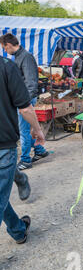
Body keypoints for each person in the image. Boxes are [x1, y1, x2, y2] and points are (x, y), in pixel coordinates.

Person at [0, 55, 46, 244]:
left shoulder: (12, 64)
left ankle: (18, 230)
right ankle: (19, 177)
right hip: (3, 146)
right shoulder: (5, 66)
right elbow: (25, 108)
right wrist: (37, 129)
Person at [0, 33, 49, 170]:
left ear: (9, 45)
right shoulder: (18, 57)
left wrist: (24, 102)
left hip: (25, 99)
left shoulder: (25, 57)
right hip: (22, 99)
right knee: (25, 129)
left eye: (4, 48)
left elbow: (31, 82)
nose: (4, 51)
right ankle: (39, 151)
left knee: (24, 130)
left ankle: (26, 160)